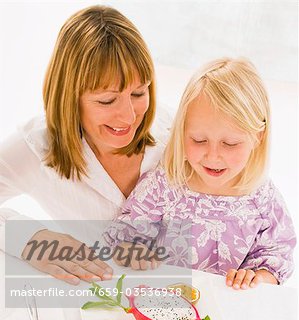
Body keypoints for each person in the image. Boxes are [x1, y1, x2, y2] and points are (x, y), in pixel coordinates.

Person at [0, 5, 171, 285]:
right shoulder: (37, 146)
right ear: (70, 97)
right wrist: (31, 238)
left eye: (139, 93)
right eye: (107, 100)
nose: (129, 116)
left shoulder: (175, 133)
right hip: (96, 304)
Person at [104, 58, 296, 289]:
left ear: (258, 136)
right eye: (199, 140)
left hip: (229, 310)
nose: (213, 156)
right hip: (167, 302)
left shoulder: (261, 196)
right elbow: (124, 236)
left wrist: (258, 277)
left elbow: (277, 252)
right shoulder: (165, 185)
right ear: (182, 132)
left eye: (230, 143)